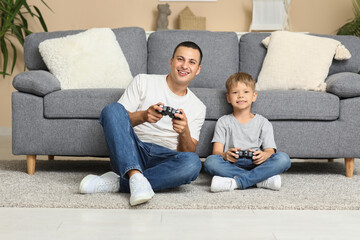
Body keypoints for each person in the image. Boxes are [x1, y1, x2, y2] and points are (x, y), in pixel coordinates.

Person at [79, 41, 206, 206]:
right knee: (112, 109)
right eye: (180, 59)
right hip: (133, 150)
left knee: (193, 163)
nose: (184, 66)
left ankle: (123, 181)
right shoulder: (143, 81)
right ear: (171, 61)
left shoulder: (199, 107)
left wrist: (184, 131)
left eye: (192, 62)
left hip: (165, 159)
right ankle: (134, 173)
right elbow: (116, 119)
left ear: (198, 70)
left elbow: (188, 151)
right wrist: (144, 116)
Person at [204, 72, 291, 192]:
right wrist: (225, 155)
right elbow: (216, 152)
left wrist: (264, 155)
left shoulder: (263, 122)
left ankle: (236, 182)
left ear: (254, 96)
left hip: (257, 163)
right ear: (228, 98)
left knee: (283, 159)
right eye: (235, 92)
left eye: (246, 92)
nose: (240, 96)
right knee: (210, 162)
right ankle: (260, 180)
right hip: (232, 163)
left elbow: (270, 151)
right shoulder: (223, 122)